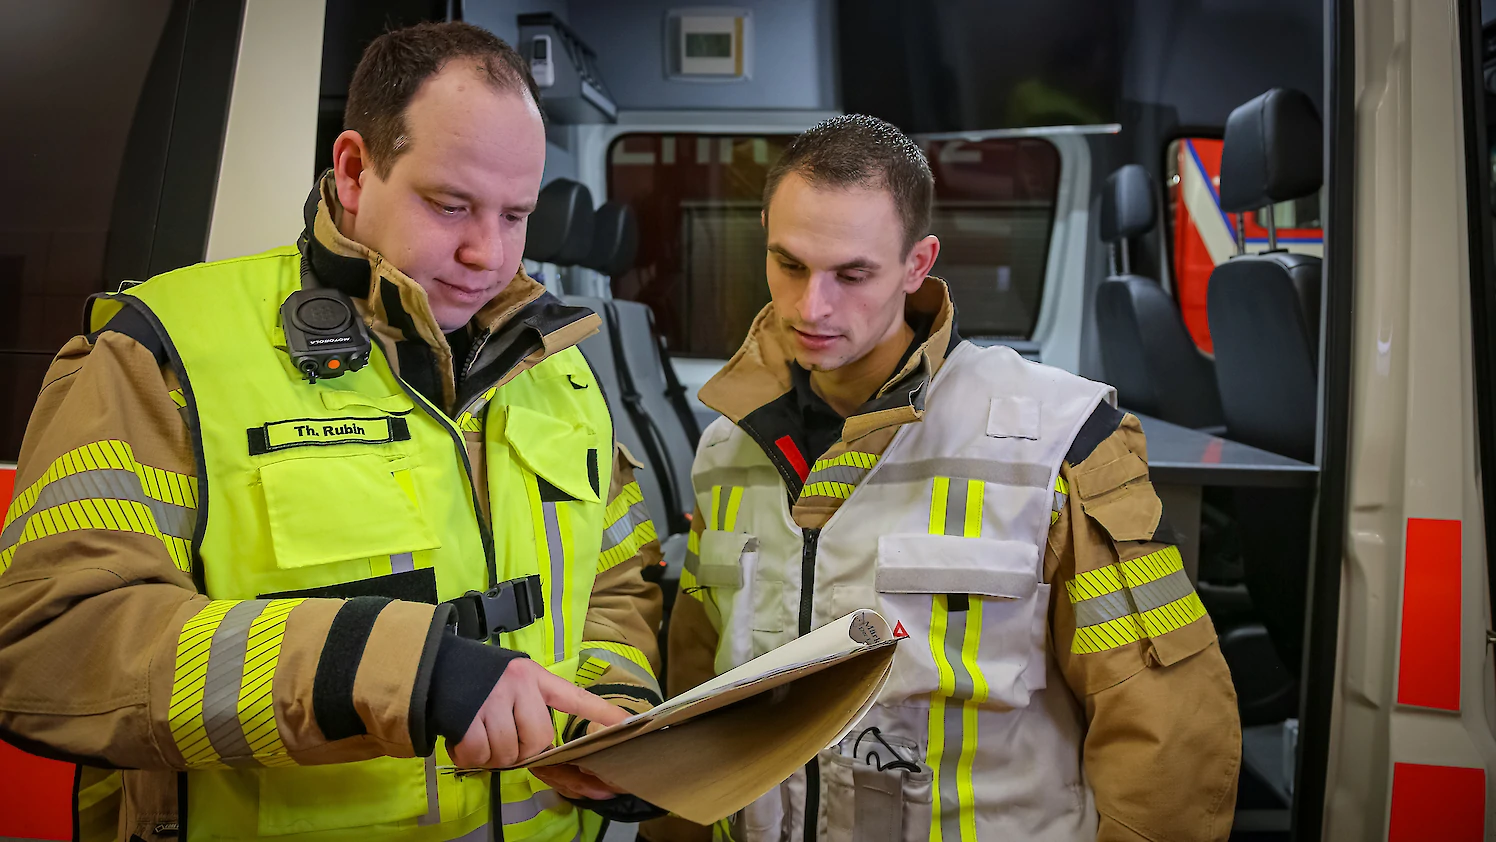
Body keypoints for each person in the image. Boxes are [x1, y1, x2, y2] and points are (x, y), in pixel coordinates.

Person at [0, 22, 663, 842]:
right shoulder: (165, 353)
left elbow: (615, 585)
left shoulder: (558, 370)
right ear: (354, 169)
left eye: (516, 214)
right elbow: (54, 647)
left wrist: (619, 711)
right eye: (450, 204)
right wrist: (396, 668)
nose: (487, 253)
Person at [645, 115, 1242, 842]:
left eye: (853, 274)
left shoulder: (1060, 441)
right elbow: (694, 692)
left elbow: (1164, 724)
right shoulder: (725, 450)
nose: (811, 307)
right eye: (789, 265)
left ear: (917, 263)